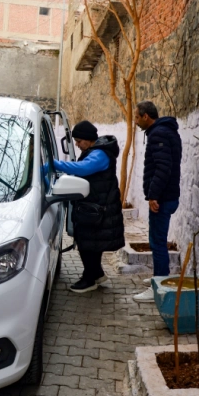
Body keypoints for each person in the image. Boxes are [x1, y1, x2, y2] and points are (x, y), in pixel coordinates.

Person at [51, 120, 125, 293]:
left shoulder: (99, 154)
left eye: (78, 141)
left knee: (88, 245)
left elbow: (83, 169)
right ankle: (97, 274)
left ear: (88, 139)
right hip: (95, 207)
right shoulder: (96, 151)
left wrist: (55, 164)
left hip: (99, 209)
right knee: (90, 243)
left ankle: (89, 279)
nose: (77, 144)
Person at [132, 101, 182, 302]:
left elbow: (163, 167)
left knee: (157, 242)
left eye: (136, 117)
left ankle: (159, 287)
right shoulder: (165, 131)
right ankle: (158, 278)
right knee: (157, 241)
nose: (135, 121)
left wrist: (153, 195)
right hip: (167, 196)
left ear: (145, 116)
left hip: (162, 199)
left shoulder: (158, 134)